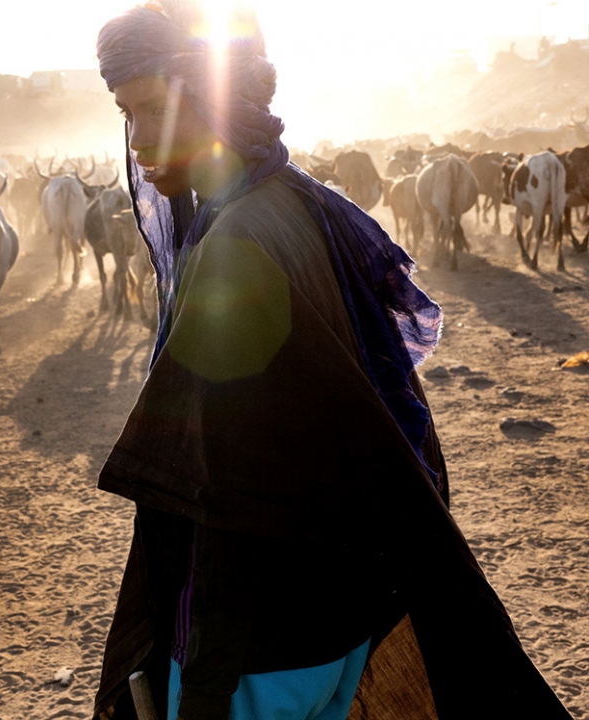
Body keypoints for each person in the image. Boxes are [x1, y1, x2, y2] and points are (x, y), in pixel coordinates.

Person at [92, 2, 574, 719]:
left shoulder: (235, 249)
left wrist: (203, 690)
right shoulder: (289, 200)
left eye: (156, 107)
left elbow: (228, 497)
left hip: (263, 650)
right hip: (338, 621)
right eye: (125, 114)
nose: (138, 140)